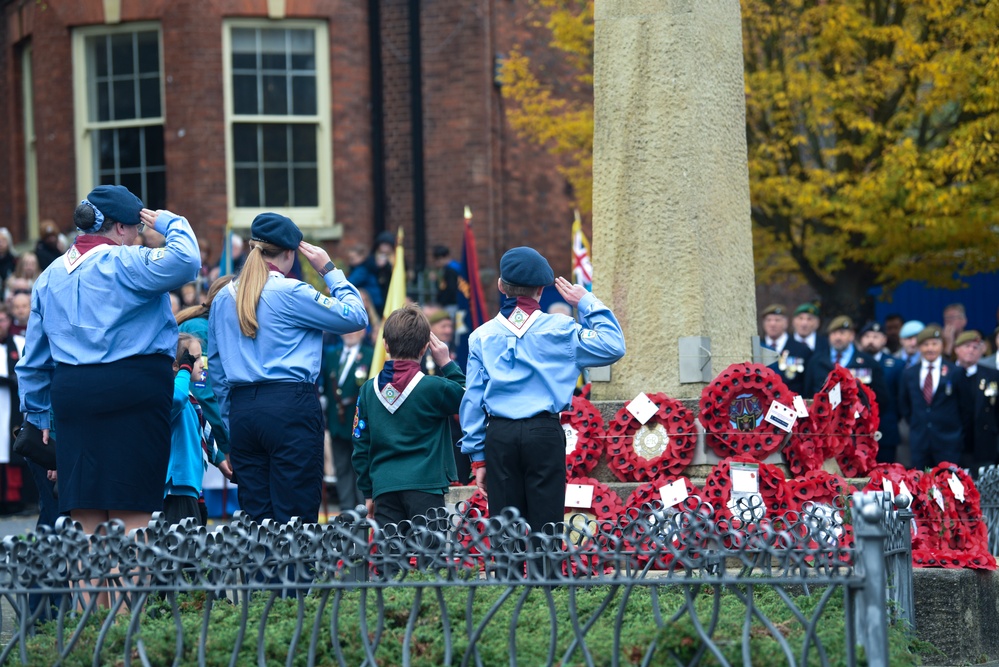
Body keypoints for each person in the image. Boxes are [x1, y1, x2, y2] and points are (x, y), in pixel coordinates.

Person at [16, 185, 201, 535]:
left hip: (73, 394)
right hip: (133, 390)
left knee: (85, 520)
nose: (138, 235)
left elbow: (34, 357)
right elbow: (187, 260)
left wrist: (37, 412)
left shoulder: (49, 275)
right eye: (136, 227)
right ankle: (126, 593)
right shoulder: (127, 261)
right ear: (119, 227)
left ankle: (88, 594)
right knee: (131, 517)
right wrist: (170, 222)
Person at [208, 212, 368, 524]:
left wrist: (230, 422)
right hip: (288, 406)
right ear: (290, 253)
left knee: (258, 520)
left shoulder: (222, 297)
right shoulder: (293, 292)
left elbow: (217, 370)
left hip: (243, 411)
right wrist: (329, 270)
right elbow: (356, 317)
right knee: (295, 518)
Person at [459, 247, 626, 533]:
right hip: (543, 433)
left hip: (500, 435)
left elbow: (472, 400)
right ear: (541, 289)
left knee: (505, 533)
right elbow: (613, 345)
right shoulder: (562, 329)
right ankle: (546, 578)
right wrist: (585, 300)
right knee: (547, 529)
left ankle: (506, 579)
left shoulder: (481, 336)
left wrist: (478, 459)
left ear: (501, 286)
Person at [352, 305, 464, 525]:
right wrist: (447, 363)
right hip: (426, 485)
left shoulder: (367, 390)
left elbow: (360, 445)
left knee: (392, 556)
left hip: (384, 487)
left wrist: (367, 491)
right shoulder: (434, 387)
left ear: (385, 344)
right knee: (430, 555)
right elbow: (468, 398)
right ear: (425, 348)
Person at [164, 334, 231, 525]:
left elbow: (204, 429)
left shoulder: (190, 395)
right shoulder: (175, 393)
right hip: (177, 487)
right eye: (195, 358)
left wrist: (219, 460)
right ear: (177, 365)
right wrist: (185, 369)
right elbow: (176, 399)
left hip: (191, 485)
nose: (202, 364)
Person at [898, 324, 972, 470]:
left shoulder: (955, 371)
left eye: (934, 344)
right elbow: (905, 406)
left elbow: (966, 407)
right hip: (920, 442)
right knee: (920, 486)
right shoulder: (909, 373)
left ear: (942, 346)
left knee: (950, 486)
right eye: (925, 344)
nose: (930, 348)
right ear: (919, 347)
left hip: (949, 442)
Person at [176, 275, 234, 456]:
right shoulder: (200, 330)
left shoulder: (211, 325)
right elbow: (203, 391)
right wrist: (227, 444)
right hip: (189, 425)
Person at [321, 328, 372, 512]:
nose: (350, 333)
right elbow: (327, 388)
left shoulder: (370, 354)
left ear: (363, 332)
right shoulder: (332, 355)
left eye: (355, 330)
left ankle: (362, 510)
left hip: (359, 422)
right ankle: (346, 510)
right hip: (337, 422)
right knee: (341, 467)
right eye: (347, 330)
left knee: (360, 467)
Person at [803, 316, 888, 409]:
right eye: (834, 333)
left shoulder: (868, 362)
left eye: (842, 333)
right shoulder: (816, 361)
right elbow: (807, 392)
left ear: (852, 335)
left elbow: (880, 398)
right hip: (822, 418)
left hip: (856, 420)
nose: (837, 337)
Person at [953, 330, 999, 476]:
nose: (971, 350)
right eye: (967, 346)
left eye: (975, 347)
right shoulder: (948, 373)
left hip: (984, 443)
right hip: (954, 443)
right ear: (956, 349)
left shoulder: (992, 375)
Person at [858, 321, 902, 463]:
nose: (871, 340)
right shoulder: (853, 362)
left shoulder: (896, 365)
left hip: (886, 429)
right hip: (858, 430)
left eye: (876, 336)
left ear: (884, 340)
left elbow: (901, 399)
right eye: (867, 336)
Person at [759, 303, 811, 395]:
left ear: (786, 323)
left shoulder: (801, 349)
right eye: (768, 320)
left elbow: (807, 382)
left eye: (777, 320)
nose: (772, 324)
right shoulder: (758, 348)